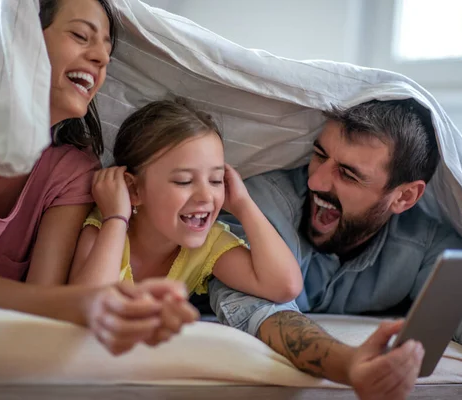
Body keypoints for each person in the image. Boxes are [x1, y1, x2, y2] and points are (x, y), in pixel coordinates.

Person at [0, 0, 198, 356]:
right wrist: (88, 304)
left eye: (107, 50)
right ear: (21, 38)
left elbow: (43, 295)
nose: (101, 59)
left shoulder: (72, 171)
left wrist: (108, 305)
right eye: (80, 35)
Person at [208, 98, 462, 399]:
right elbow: (260, 312)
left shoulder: (426, 244)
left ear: (404, 197)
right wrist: (349, 364)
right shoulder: (259, 206)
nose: (316, 180)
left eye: (348, 174)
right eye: (319, 154)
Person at [69, 99, 303, 304]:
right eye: (183, 181)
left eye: (216, 179)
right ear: (134, 189)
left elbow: (285, 286)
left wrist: (243, 205)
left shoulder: (207, 244)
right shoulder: (105, 228)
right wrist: (116, 219)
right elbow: (83, 309)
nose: (206, 196)